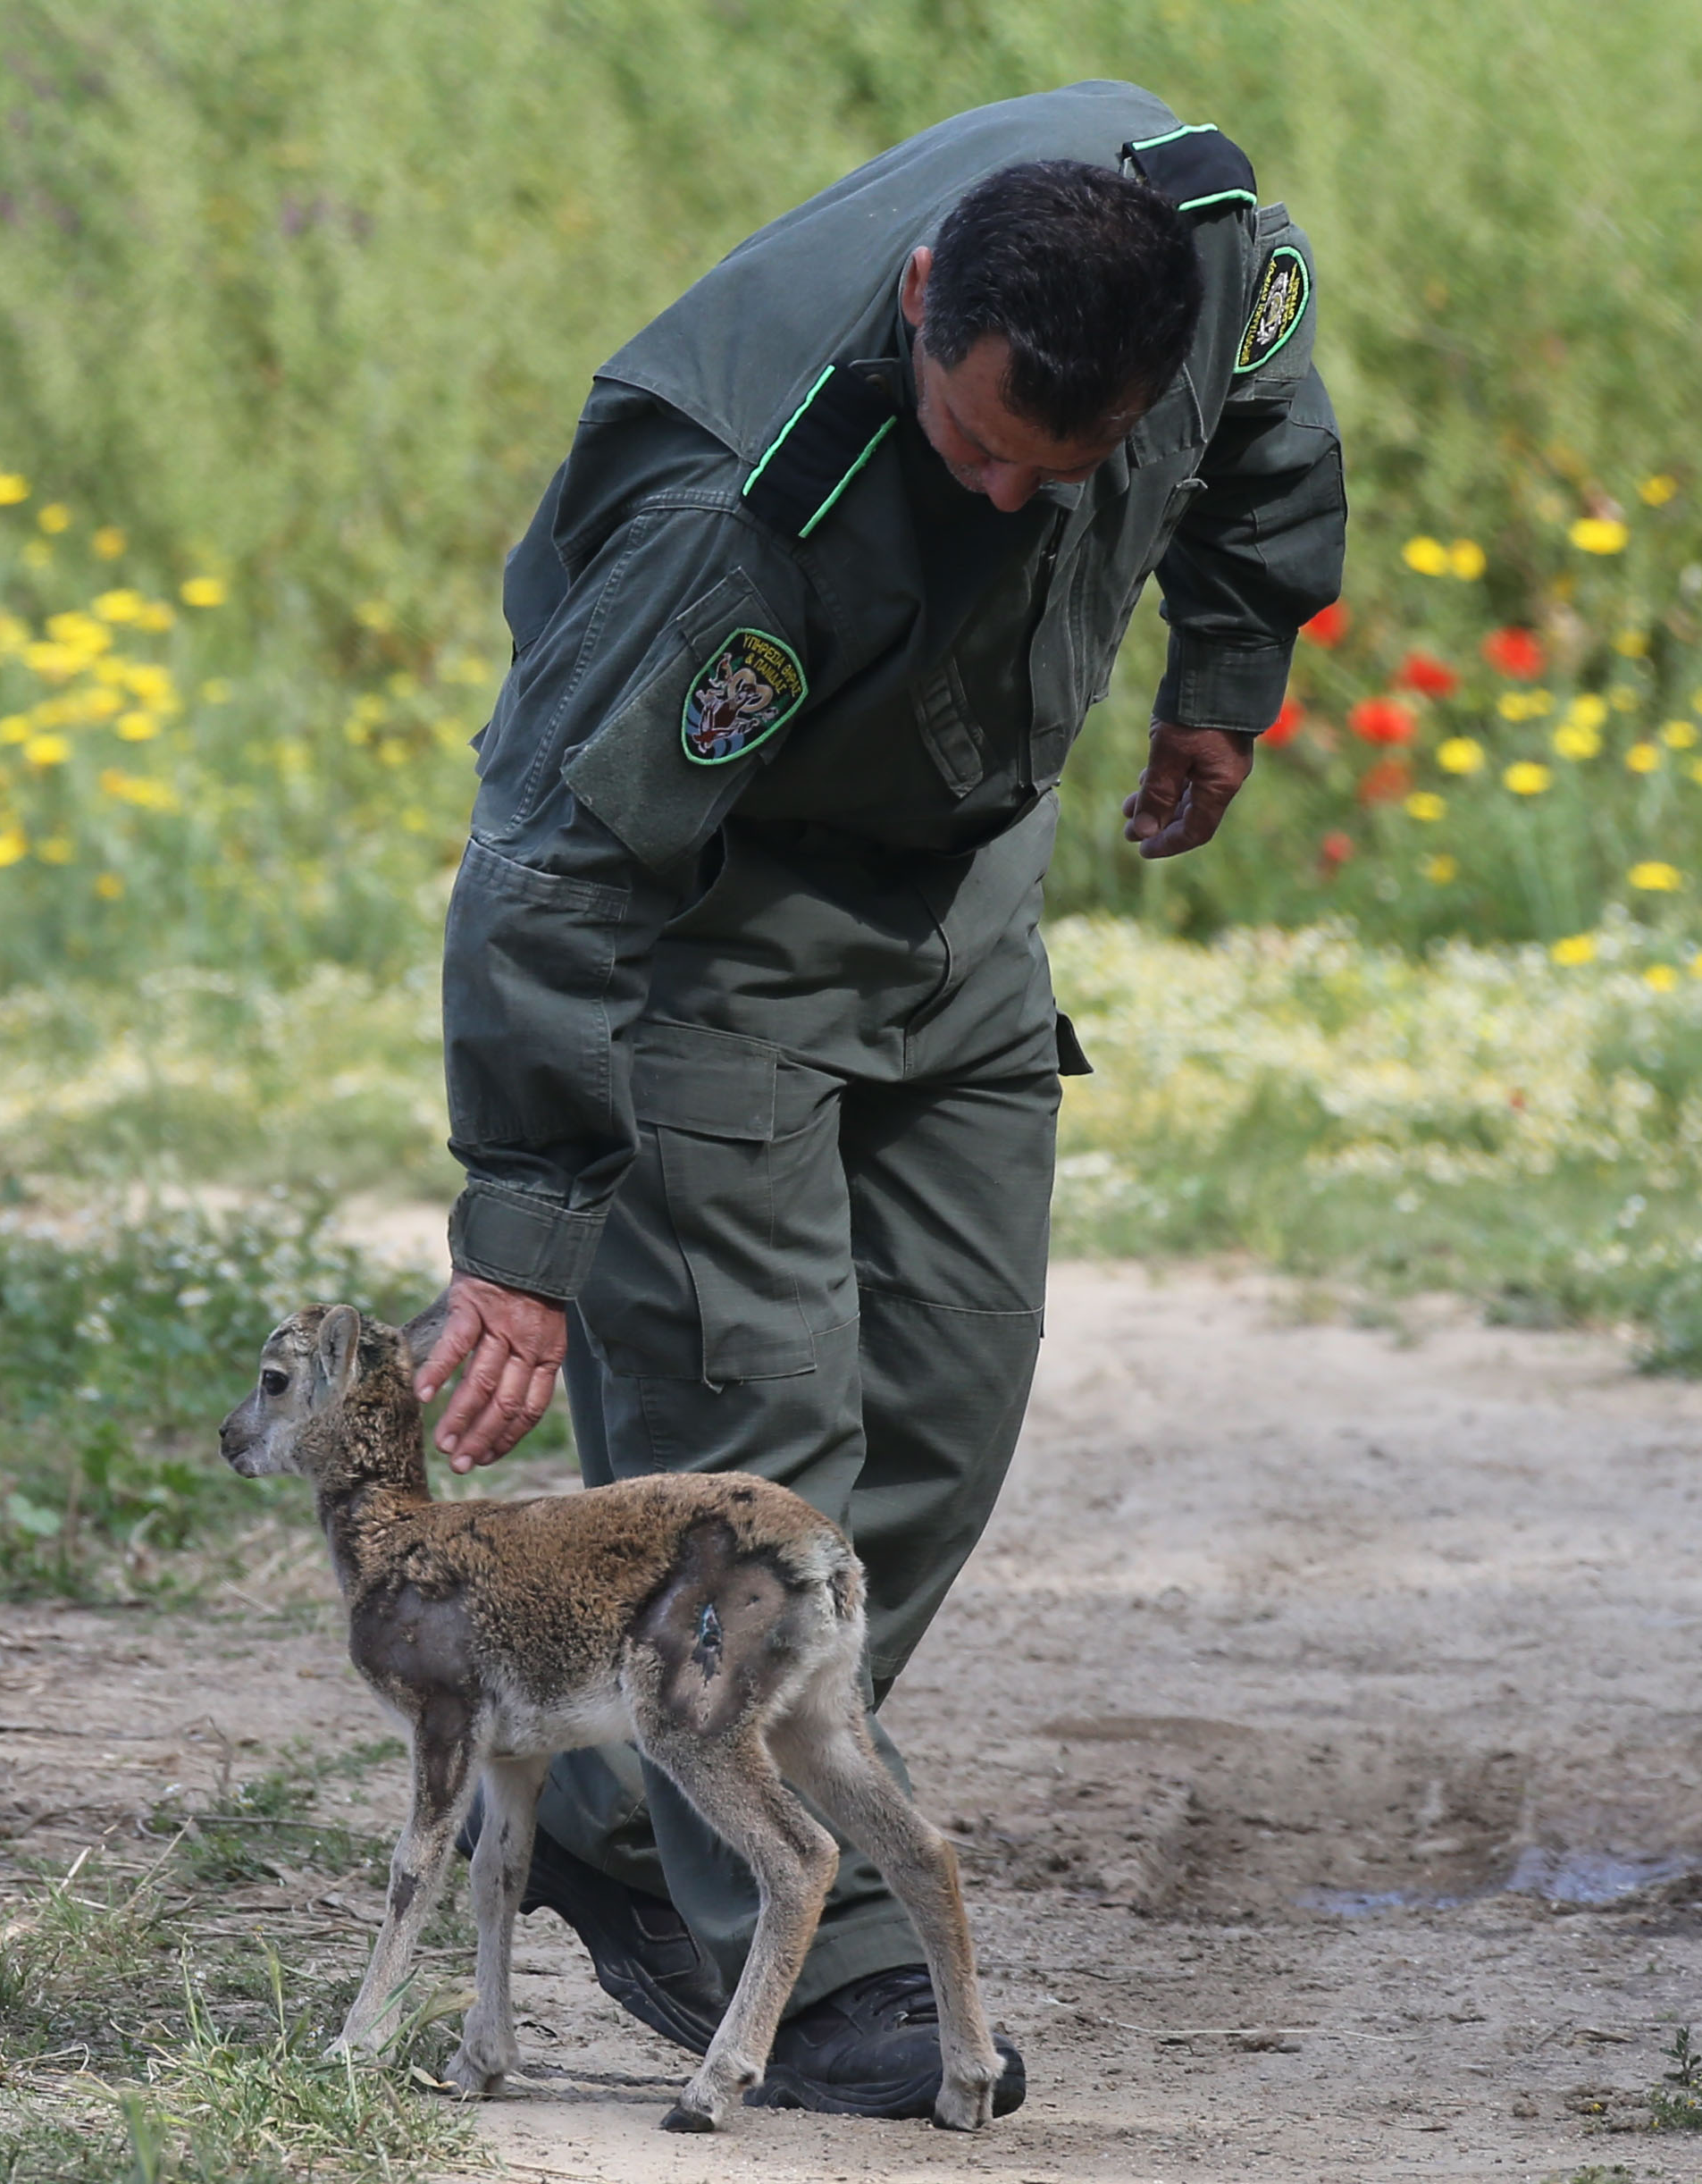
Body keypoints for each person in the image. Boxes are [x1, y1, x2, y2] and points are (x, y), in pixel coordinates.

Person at [422, 79, 1344, 2119]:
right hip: (714, 928)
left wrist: (1223, 662)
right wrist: (523, 1229)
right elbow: (560, 863)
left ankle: (599, 1790)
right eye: (974, 449)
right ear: (922, 302)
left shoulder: (1200, 255)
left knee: (937, 1414)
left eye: (1061, 471)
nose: (1007, 503)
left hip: (961, 895)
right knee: (754, 1450)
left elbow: (1260, 426)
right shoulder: (737, 509)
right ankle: (800, 1944)